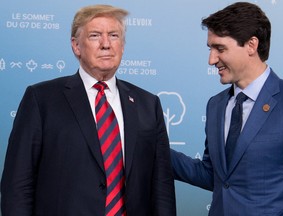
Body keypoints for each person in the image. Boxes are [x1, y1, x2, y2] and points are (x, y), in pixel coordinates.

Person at [1, 4, 176, 216]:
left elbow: (162, 189)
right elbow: (17, 184)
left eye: (114, 35)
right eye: (95, 35)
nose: (106, 44)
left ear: (122, 45)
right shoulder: (41, 99)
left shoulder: (148, 104)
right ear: (76, 46)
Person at [171, 2, 283, 216]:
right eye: (210, 49)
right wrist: (154, 148)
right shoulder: (216, 105)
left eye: (220, 48)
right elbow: (213, 176)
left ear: (251, 45)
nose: (211, 59)